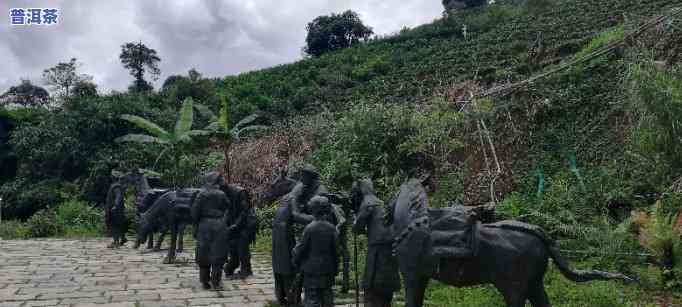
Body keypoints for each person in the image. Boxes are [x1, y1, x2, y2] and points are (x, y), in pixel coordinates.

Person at [352, 179, 400, 307]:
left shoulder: (367, 203)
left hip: (377, 250)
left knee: (372, 287)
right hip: (390, 248)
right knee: (385, 289)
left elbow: (357, 227)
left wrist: (354, 221)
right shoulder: (380, 202)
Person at [292, 196, 339, 307]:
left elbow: (300, 249)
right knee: (327, 297)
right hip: (328, 269)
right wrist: (335, 268)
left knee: (312, 299)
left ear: (314, 209)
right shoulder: (332, 228)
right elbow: (336, 251)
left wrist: (295, 260)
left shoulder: (310, 228)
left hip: (311, 270)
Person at [191, 172, 231, 290]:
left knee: (204, 252)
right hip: (219, 224)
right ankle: (216, 282)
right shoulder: (221, 194)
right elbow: (227, 207)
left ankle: (204, 281)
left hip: (204, 225)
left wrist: (196, 224)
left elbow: (194, 213)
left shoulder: (201, 194)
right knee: (218, 252)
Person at [221, 183, 257, 278]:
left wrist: (236, 225)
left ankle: (246, 270)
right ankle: (231, 266)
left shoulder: (240, 192)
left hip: (246, 223)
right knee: (232, 246)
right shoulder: (224, 194)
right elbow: (227, 211)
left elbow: (244, 211)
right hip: (234, 222)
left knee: (242, 246)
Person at [271, 193, 298, 306]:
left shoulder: (280, 211)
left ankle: (281, 298)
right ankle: (292, 300)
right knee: (288, 275)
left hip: (278, 248)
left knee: (279, 274)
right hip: (285, 248)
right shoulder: (289, 211)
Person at [105, 175, 128, 248]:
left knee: (114, 225)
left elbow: (118, 196)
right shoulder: (118, 186)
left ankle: (116, 242)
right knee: (119, 225)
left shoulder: (116, 187)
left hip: (115, 210)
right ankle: (123, 238)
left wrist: (115, 205)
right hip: (118, 210)